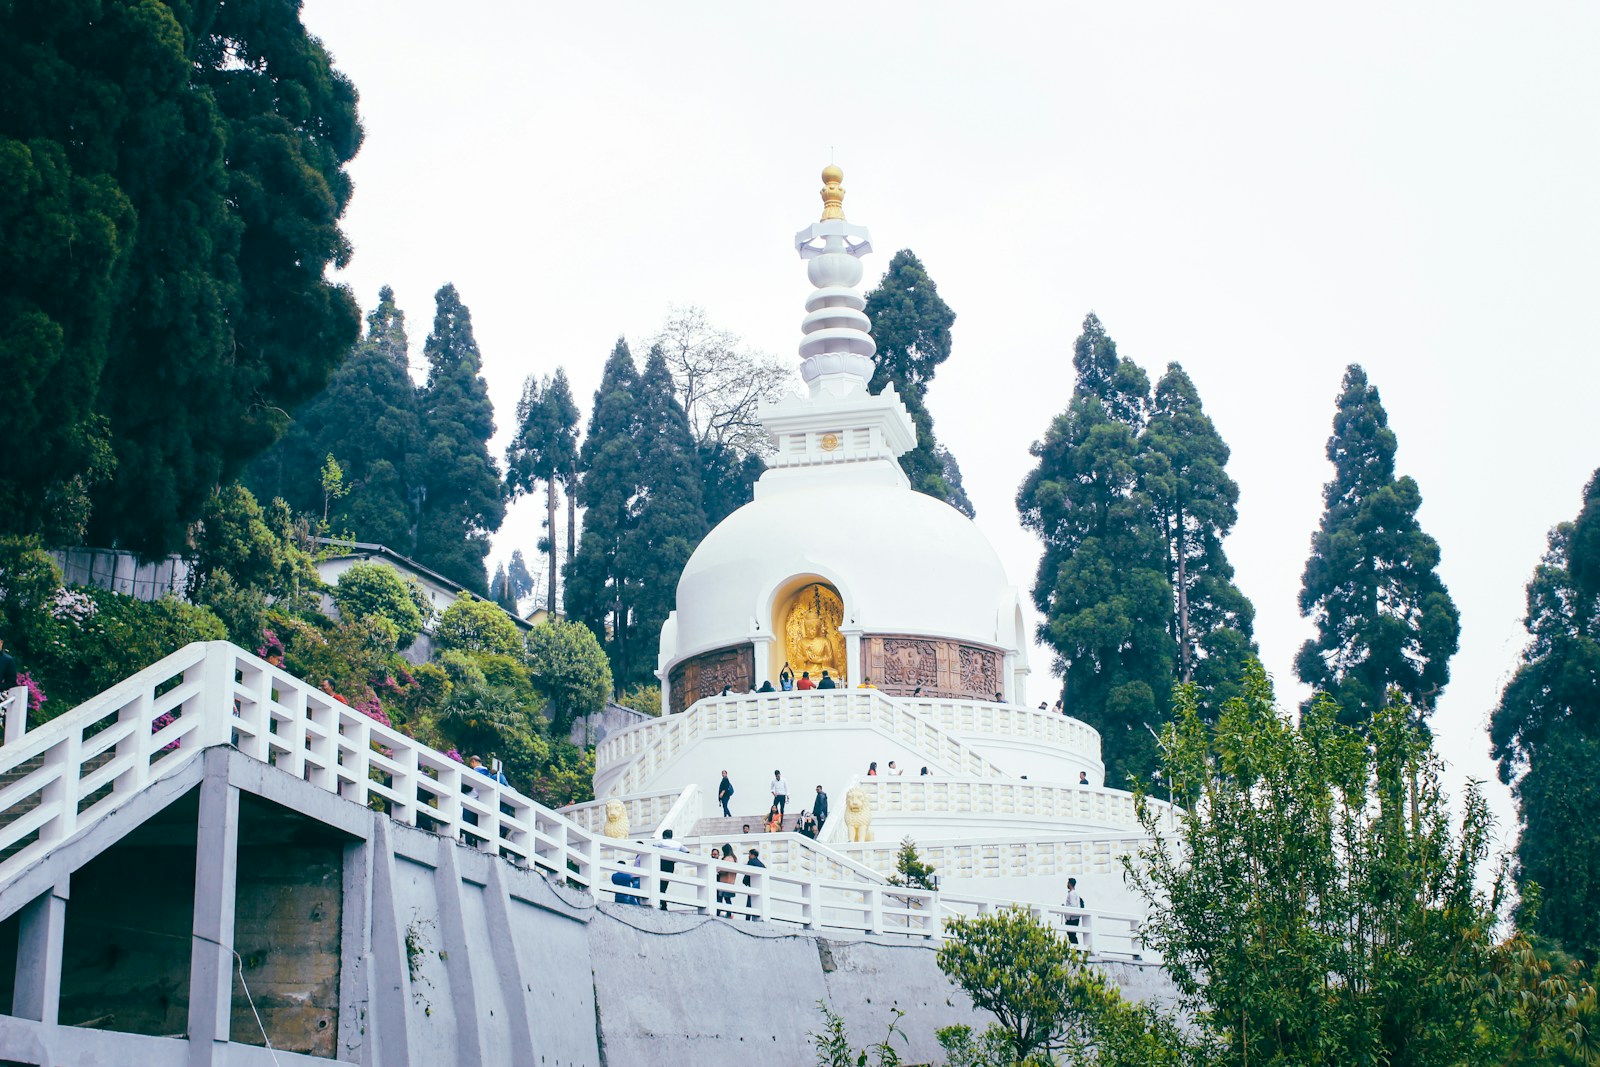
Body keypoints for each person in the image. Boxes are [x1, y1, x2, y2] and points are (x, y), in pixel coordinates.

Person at [656, 829, 688, 911]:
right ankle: (663, 904)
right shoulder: (677, 844)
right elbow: (687, 851)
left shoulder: (661, 842)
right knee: (664, 885)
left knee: (658, 885)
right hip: (670, 865)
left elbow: (652, 848)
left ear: (664, 836)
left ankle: (662, 904)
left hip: (661, 864)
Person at [743, 847, 767, 919]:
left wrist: (745, 881)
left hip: (752, 884)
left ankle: (747, 918)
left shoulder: (751, 862)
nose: (748, 856)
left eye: (749, 854)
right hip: (760, 886)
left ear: (752, 855)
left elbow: (748, 873)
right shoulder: (761, 865)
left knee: (749, 902)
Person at [715, 845, 737, 917]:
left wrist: (717, 870)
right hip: (731, 882)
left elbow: (723, 869)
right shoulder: (734, 858)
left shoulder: (727, 858)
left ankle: (718, 913)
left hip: (724, 881)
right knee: (727, 899)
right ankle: (729, 914)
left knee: (720, 898)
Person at [1063, 877, 1085, 944]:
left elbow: (1073, 905)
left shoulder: (1072, 893)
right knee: (1072, 935)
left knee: (1071, 935)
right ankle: (1076, 950)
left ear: (1070, 884)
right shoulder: (1076, 893)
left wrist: (1065, 907)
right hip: (1075, 918)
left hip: (1071, 918)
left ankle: (1077, 950)